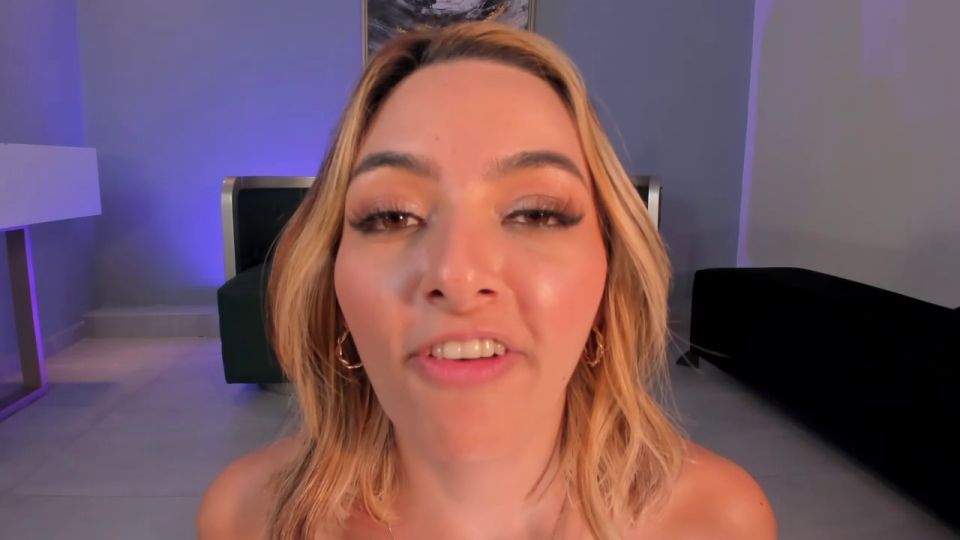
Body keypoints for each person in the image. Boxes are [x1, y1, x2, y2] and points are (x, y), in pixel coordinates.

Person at [198, 22, 776, 540]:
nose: (457, 275)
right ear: (332, 280)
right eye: (393, 215)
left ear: (609, 275)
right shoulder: (246, 519)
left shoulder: (718, 523)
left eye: (537, 212)